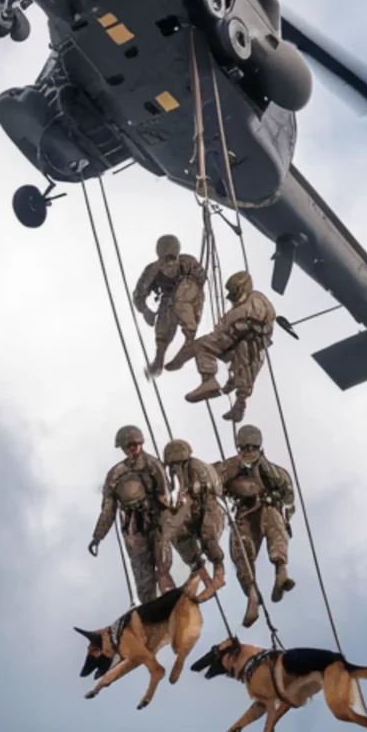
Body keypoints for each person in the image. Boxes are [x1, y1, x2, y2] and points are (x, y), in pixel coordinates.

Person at [164, 270, 275, 424]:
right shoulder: (245, 305)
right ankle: (180, 361)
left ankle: (209, 381)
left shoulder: (255, 302)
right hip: (237, 340)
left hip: (243, 340)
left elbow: (248, 323)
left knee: (205, 347)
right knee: (204, 347)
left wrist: (231, 330)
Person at [213, 424, 295, 628]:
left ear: (260, 447)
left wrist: (277, 503)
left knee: (275, 524)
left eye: (253, 447)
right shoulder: (230, 467)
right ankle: (252, 594)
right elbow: (212, 481)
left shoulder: (276, 473)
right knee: (240, 549)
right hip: (245, 514)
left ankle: (281, 572)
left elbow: (289, 500)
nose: (249, 452)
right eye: (245, 448)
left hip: (269, 510)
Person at [88, 425, 169, 604]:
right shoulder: (116, 473)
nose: (132, 450)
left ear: (141, 443)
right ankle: (151, 612)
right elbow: (108, 509)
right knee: (143, 573)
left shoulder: (152, 464)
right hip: (133, 528)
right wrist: (98, 536)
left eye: (134, 445)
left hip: (156, 521)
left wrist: (168, 521)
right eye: (127, 446)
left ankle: (172, 601)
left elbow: (164, 494)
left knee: (164, 564)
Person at [157, 439, 226, 604]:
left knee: (208, 535)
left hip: (210, 510)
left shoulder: (195, 467)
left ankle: (218, 574)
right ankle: (200, 573)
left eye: (175, 463)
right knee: (178, 534)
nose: (173, 468)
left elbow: (201, 496)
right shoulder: (176, 475)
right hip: (193, 513)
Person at [132, 234, 206, 378]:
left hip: (190, 297)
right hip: (169, 304)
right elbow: (138, 293)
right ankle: (159, 359)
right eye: (165, 255)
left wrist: (187, 282)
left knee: (181, 299)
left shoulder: (187, 261)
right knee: (166, 315)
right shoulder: (152, 270)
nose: (168, 261)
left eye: (171, 255)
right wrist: (145, 310)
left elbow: (201, 278)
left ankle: (189, 343)